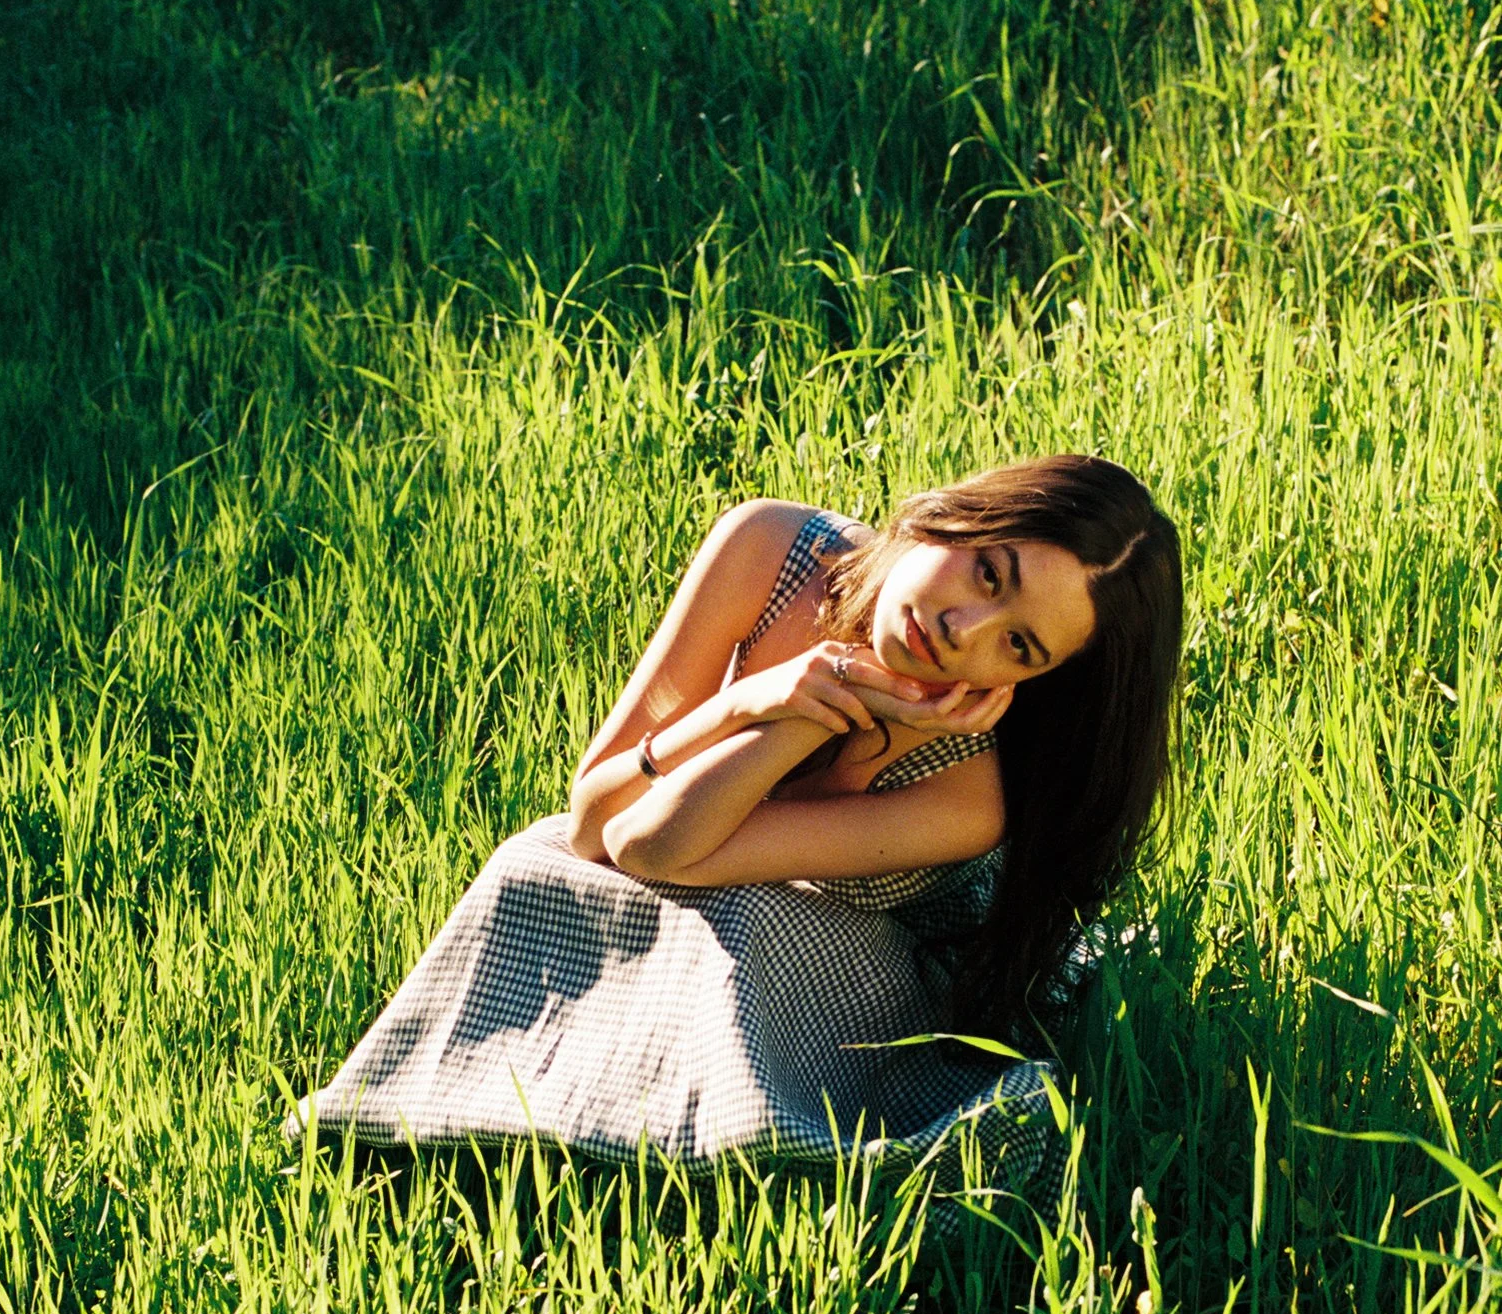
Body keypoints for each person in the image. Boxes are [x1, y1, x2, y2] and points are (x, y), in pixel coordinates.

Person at [301, 455, 1182, 1207]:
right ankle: (465, 1108)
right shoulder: (768, 548)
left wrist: (806, 716)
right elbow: (592, 823)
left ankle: (625, 1147)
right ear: (957, 516)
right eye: (989, 574)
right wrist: (747, 698)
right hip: (707, 861)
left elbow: (660, 851)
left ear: (1034, 683)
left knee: (739, 919)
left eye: (1017, 647)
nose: (962, 631)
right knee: (531, 864)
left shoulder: (965, 794)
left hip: (866, 967)